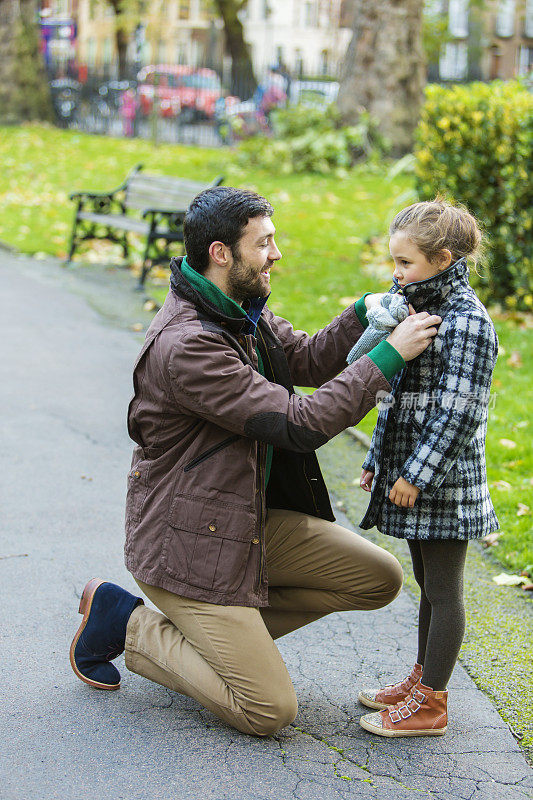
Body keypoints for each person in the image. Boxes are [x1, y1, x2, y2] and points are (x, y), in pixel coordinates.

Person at [69, 188, 441, 737]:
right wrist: (390, 355)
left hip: (241, 522)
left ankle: (217, 645)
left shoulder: (238, 313)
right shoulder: (190, 345)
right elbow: (299, 423)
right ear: (221, 253)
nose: (277, 253)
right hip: (188, 545)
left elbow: (306, 357)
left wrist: (364, 313)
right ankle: (128, 623)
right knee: (268, 710)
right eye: (264, 243)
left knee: (377, 578)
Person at [356, 200, 499, 738]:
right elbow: (393, 395)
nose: (395, 274)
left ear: (442, 259)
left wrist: (416, 474)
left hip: (442, 483)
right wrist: (377, 460)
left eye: (405, 263)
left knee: (444, 591)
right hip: (413, 476)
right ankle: (421, 681)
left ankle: (433, 704)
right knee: (426, 584)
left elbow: (460, 413)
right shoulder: (417, 308)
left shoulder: (468, 323)